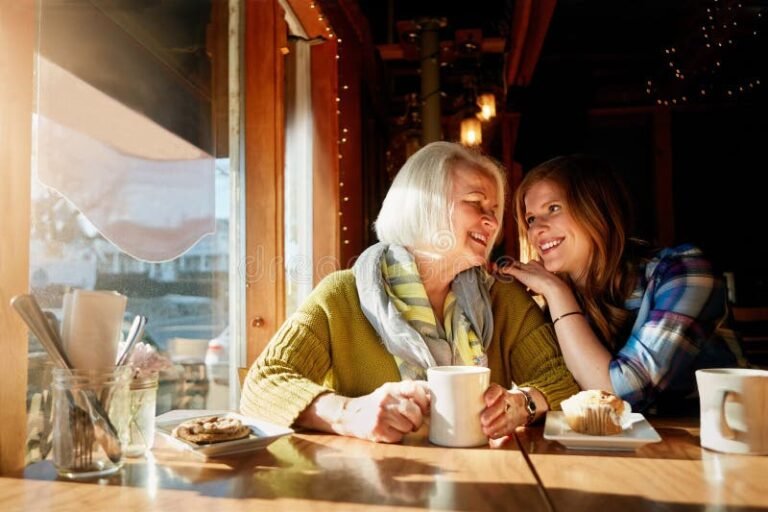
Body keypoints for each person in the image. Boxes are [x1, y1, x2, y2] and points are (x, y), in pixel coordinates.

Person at [241, 141, 578, 443]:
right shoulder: (342, 295)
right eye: (475, 202)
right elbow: (263, 384)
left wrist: (524, 403)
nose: (491, 221)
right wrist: (350, 414)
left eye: (494, 210)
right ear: (423, 204)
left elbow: (564, 379)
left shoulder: (503, 296)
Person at [502, 154, 745, 415]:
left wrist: (556, 292)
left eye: (553, 208)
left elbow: (616, 399)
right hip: (629, 440)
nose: (537, 229)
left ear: (596, 209)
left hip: (717, 435)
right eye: (530, 219)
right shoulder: (561, 301)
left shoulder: (684, 273)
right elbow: (558, 387)